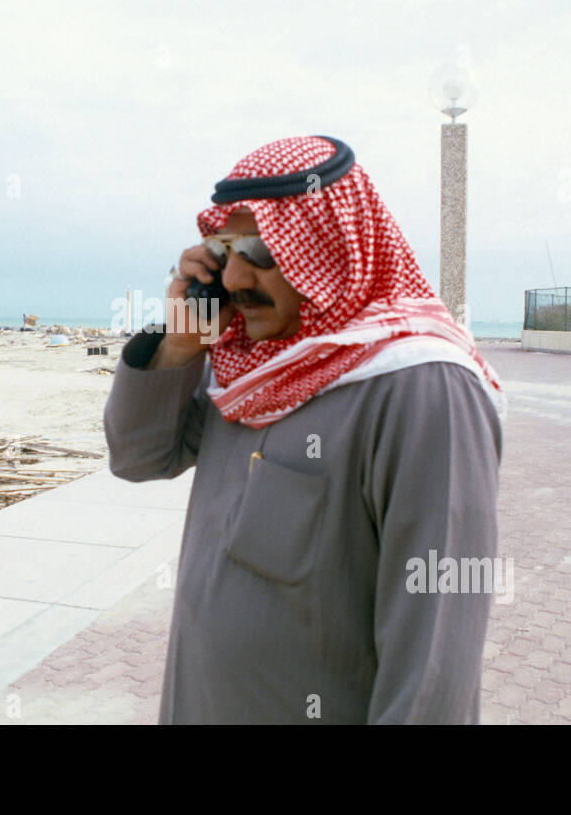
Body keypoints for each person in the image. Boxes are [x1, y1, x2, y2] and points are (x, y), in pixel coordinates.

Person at [103, 135, 508, 724]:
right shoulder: (252, 370)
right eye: (223, 248)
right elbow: (137, 456)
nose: (236, 277)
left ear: (328, 247)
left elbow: (433, 673)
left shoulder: (422, 389)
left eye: (261, 248)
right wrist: (183, 339)